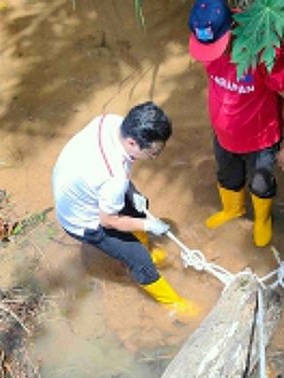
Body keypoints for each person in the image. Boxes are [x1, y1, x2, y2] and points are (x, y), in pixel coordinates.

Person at [52, 101, 198, 317]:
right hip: (83, 221)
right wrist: (148, 224)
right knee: (140, 261)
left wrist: (131, 193)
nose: (154, 157)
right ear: (131, 142)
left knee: (140, 204)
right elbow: (108, 221)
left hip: (81, 188)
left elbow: (109, 174)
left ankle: (146, 245)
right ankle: (176, 305)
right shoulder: (114, 177)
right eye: (153, 153)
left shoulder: (110, 122)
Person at [188, 0, 284, 247]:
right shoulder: (206, 37)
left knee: (261, 183)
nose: (212, 55)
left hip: (261, 138)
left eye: (218, 47)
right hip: (223, 134)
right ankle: (233, 210)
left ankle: (262, 219)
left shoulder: (265, 49)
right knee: (227, 176)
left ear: (231, 30)